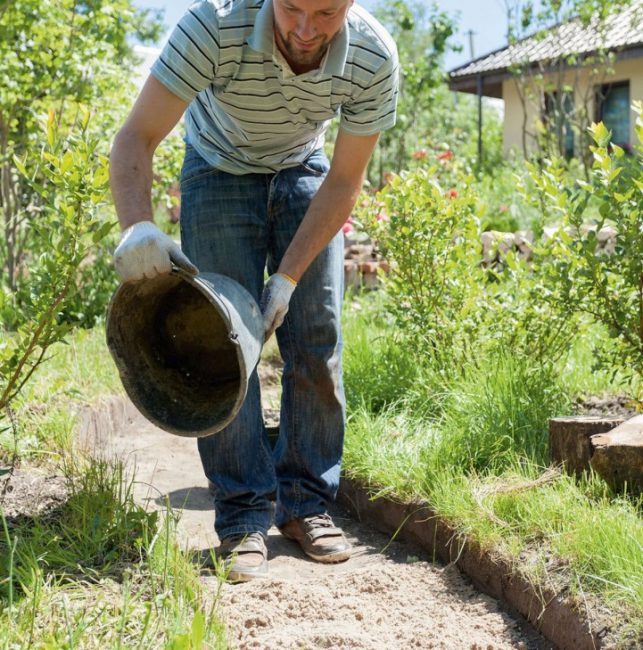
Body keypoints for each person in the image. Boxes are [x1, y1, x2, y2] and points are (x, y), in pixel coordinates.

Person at [109, 0, 398, 582]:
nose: (305, 29)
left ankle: (306, 506)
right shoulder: (213, 26)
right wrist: (138, 227)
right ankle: (241, 517)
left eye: (326, 13)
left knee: (317, 338)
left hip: (306, 171)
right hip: (216, 168)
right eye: (292, 8)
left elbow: (344, 181)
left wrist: (288, 279)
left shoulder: (371, 55)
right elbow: (135, 138)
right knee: (220, 348)